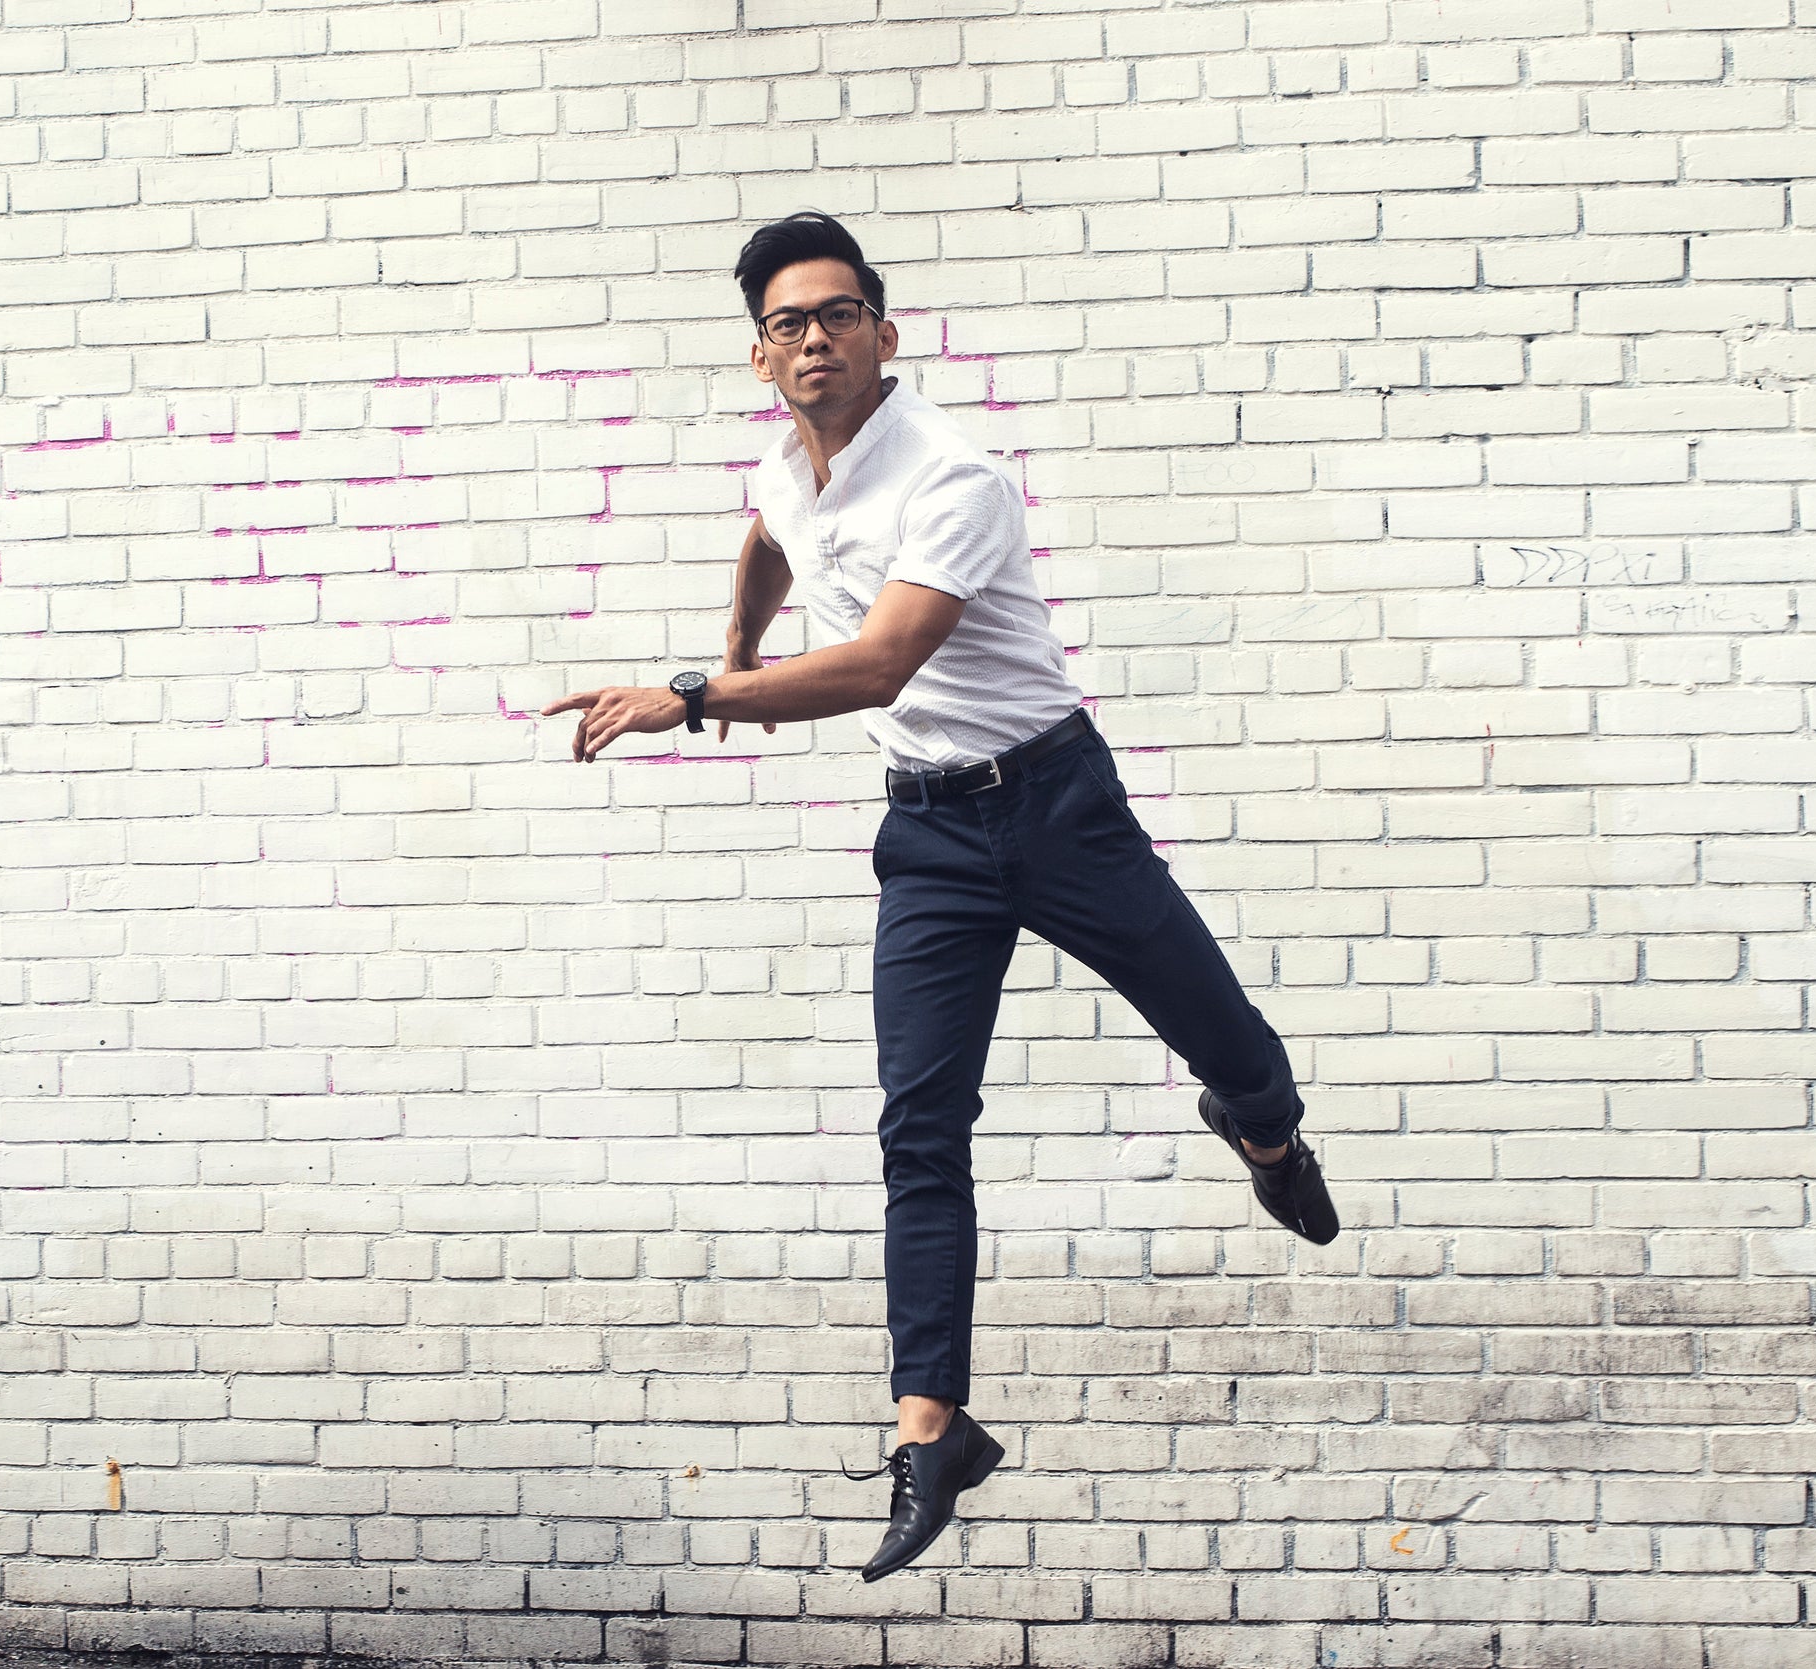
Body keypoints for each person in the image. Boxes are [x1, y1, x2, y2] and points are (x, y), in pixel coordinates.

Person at [542, 212, 1339, 1583]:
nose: (815, 338)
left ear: (883, 334)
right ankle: (932, 1429)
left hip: (1058, 807)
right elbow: (774, 531)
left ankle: (1264, 1134)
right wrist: (738, 634)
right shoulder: (789, 464)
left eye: (838, 314)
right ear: (763, 354)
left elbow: (877, 666)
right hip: (929, 837)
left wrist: (692, 692)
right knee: (920, 1121)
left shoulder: (959, 477)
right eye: (789, 322)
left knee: (1233, 1044)